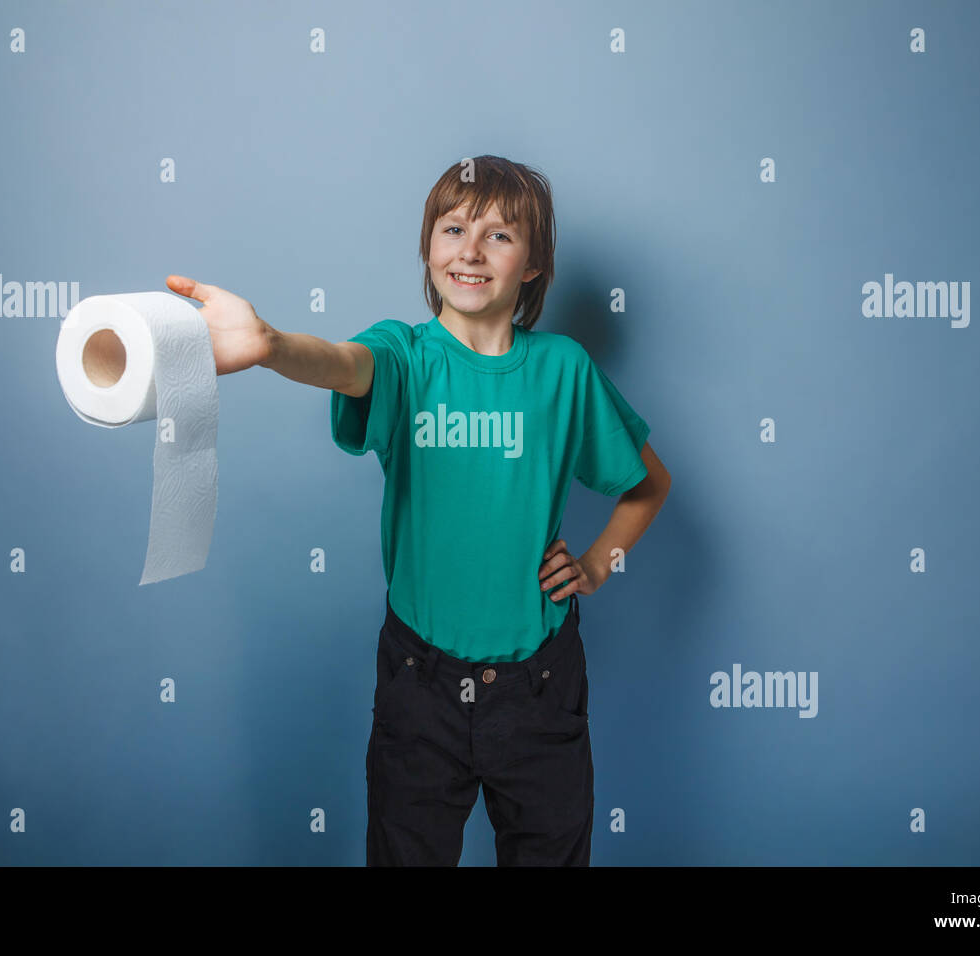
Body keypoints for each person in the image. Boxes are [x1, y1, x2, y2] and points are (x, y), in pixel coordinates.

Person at [165, 155, 671, 866]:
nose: (469, 249)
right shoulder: (402, 355)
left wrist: (597, 563)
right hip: (419, 683)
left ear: (533, 265)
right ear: (429, 248)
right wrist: (272, 346)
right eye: (453, 228)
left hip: (540, 686)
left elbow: (649, 484)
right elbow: (343, 363)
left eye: (499, 235)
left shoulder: (563, 370)